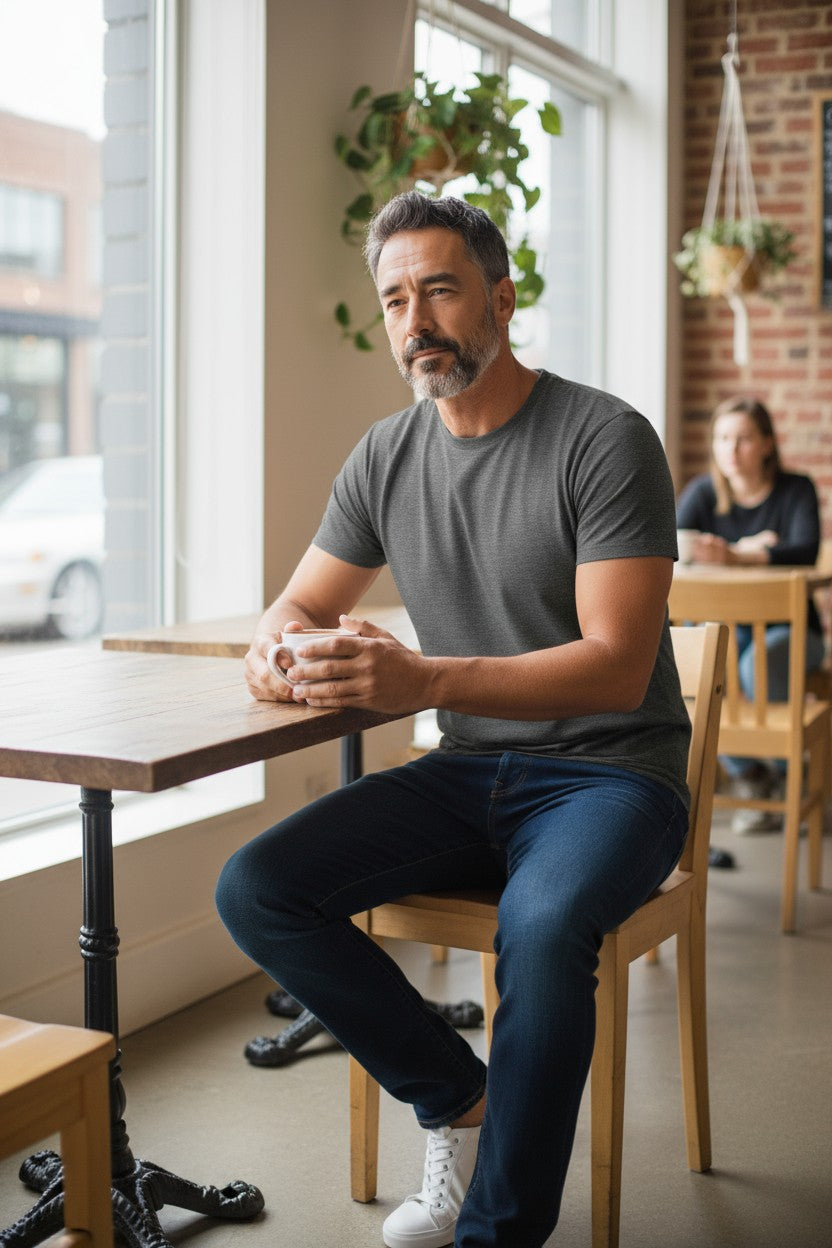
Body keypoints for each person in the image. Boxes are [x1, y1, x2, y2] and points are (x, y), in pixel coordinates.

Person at [215, 191, 692, 1248]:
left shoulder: (604, 437)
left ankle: (498, 1233)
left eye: (438, 287)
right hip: (472, 770)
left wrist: (423, 682)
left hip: (615, 775)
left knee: (539, 923)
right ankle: (459, 1101)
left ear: (501, 297)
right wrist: (275, 642)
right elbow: (300, 600)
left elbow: (616, 671)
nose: (414, 320)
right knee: (258, 888)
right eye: (394, 299)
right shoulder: (386, 454)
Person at [676, 394, 824, 833]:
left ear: (766, 445)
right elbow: (675, 547)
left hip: (796, 632)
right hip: (728, 629)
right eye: (723, 438)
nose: (731, 449)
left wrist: (736, 557)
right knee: (706, 669)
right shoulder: (703, 492)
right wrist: (757, 549)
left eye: (742, 439)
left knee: (752, 666)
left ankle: (786, 779)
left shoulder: (795, 489)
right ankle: (756, 779)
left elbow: (806, 550)